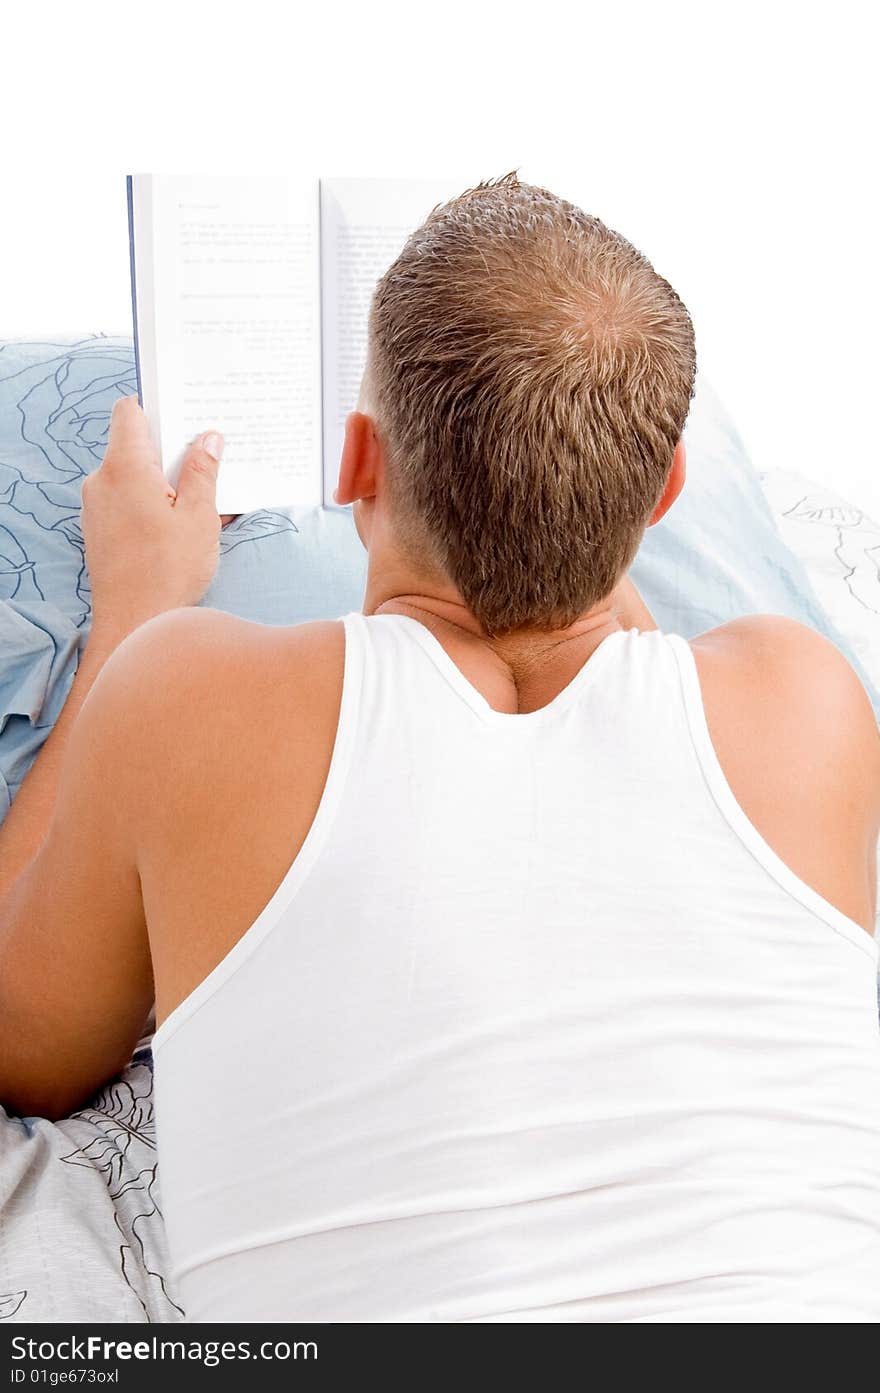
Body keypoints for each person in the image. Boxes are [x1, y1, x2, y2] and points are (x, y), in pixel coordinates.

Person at [0, 175, 878, 1323]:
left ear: (357, 462)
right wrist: (571, 497)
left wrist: (131, 612)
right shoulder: (806, 703)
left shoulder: (180, 691)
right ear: (667, 492)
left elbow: (29, 1044)